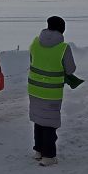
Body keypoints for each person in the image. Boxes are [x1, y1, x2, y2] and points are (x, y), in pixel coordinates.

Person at [28, 16, 76, 166]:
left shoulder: (35, 42)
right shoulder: (63, 48)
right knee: (49, 122)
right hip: (51, 92)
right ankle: (48, 156)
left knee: (38, 119)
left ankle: (38, 151)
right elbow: (70, 69)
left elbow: (32, 59)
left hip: (34, 89)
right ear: (62, 30)